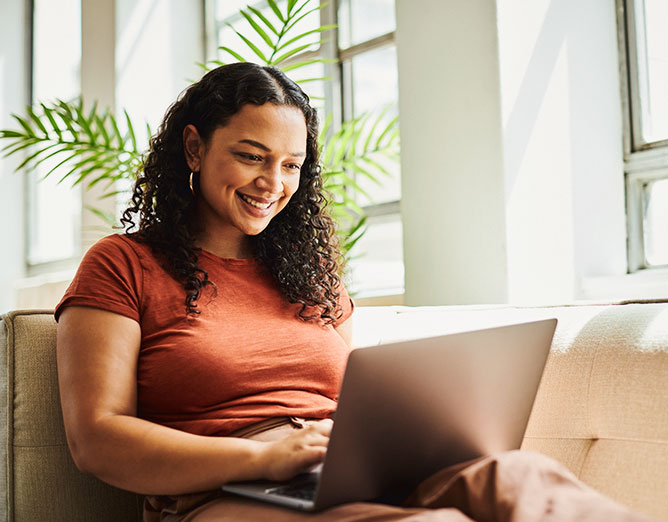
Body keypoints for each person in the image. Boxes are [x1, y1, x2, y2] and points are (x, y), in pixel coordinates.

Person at [55, 62, 654, 522]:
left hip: (338, 468)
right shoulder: (123, 265)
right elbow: (97, 439)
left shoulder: (310, 276)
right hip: (221, 493)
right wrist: (263, 459)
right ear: (194, 148)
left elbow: (358, 401)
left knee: (524, 478)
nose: (273, 182)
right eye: (251, 156)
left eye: (292, 165)